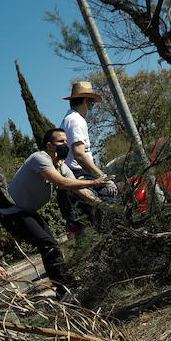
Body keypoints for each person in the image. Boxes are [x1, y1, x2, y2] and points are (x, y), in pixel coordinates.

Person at [4, 128, 112, 298]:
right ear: (49, 145)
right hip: (13, 214)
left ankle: (63, 286)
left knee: (52, 245)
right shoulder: (39, 158)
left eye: (66, 141)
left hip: (28, 212)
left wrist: (106, 207)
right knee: (49, 245)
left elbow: (79, 188)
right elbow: (62, 183)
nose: (65, 145)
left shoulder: (61, 165)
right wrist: (95, 182)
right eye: (60, 142)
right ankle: (64, 292)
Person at [57, 81, 113, 236]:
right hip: (78, 177)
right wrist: (102, 177)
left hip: (73, 179)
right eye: (92, 102)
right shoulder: (76, 121)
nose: (91, 106)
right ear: (85, 100)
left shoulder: (68, 119)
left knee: (85, 230)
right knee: (104, 220)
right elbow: (79, 154)